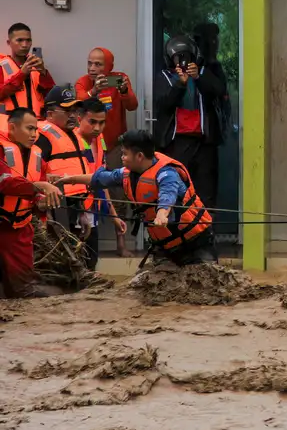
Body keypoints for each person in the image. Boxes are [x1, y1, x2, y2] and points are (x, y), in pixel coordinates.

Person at [55, 129, 216, 267]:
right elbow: (100, 178)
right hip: (166, 246)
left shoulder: (167, 173)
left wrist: (162, 214)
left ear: (139, 156)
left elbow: (168, 195)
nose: (122, 158)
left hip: (195, 242)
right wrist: (70, 179)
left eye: (124, 154)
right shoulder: (126, 174)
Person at [75, 47, 138, 257]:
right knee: (85, 193)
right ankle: (84, 247)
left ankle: (121, 244)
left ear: (109, 66)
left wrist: (123, 91)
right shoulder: (83, 82)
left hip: (115, 148)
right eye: (90, 63)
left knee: (120, 195)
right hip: (89, 146)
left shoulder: (119, 79)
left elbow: (132, 105)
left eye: (98, 64)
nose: (92, 68)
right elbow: (80, 104)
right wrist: (94, 91)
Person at [34, 86, 105, 269]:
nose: (73, 115)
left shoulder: (75, 135)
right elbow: (34, 175)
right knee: (58, 259)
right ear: (50, 113)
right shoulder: (41, 138)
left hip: (74, 205)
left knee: (79, 256)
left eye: (74, 110)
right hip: (55, 208)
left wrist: (82, 212)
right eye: (67, 110)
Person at [153, 35, 225, 209]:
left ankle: (206, 231)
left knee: (206, 190)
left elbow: (219, 91)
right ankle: (179, 230)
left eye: (186, 56)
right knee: (177, 188)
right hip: (176, 142)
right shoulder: (164, 77)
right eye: (178, 57)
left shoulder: (202, 73)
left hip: (203, 142)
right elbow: (164, 105)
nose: (182, 61)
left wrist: (199, 77)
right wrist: (180, 84)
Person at [0, 108, 62, 298]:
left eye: (36, 129)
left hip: (20, 227)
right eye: (29, 129)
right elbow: (4, 182)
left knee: (23, 289)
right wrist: (39, 186)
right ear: (12, 127)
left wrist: (42, 202)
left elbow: (38, 192)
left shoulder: (37, 157)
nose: (34, 134)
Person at [0, 23, 56, 116]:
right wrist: (21, 74)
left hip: (37, 121)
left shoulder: (36, 64)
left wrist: (43, 73)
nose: (25, 45)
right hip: (11, 122)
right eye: (20, 40)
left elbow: (52, 96)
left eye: (28, 40)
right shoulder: (2, 66)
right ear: (9, 43)